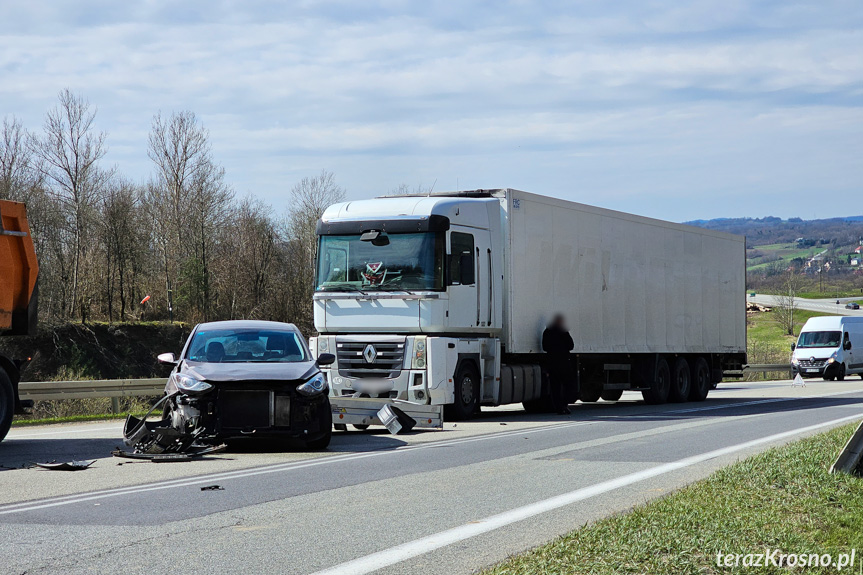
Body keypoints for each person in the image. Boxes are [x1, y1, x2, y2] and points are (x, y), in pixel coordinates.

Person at [542, 314, 574, 415]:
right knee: (567, 386)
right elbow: (571, 345)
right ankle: (564, 405)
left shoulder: (547, 332)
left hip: (552, 363)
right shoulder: (563, 332)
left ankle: (559, 407)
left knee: (555, 387)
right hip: (564, 363)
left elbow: (545, 347)